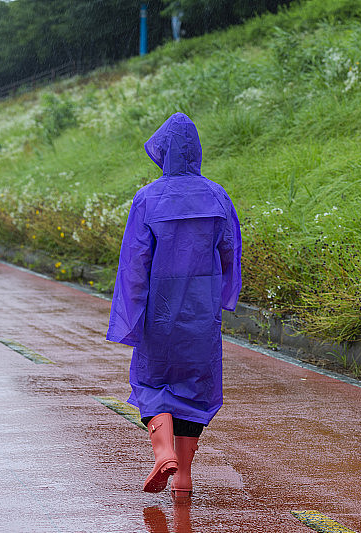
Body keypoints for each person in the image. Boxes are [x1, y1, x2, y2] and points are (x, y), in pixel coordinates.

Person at [106, 112, 242, 498]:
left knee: (151, 380)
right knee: (195, 387)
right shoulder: (216, 195)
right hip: (200, 311)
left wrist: (130, 314)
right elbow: (230, 250)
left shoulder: (147, 199)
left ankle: (162, 451)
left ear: (163, 153)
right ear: (196, 151)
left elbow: (134, 264)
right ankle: (183, 476)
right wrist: (224, 295)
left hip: (158, 310)